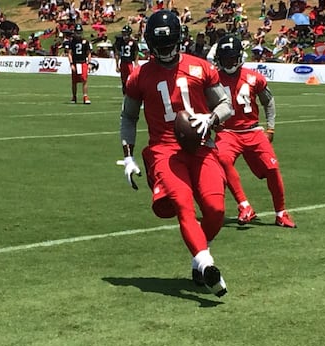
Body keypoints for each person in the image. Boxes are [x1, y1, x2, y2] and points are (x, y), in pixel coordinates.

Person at [117, 10, 233, 297]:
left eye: (170, 45)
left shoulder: (200, 67)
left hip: (202, 145)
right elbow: (128, 117)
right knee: (182, 205)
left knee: (216, 211)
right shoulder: (139, 75)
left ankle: (197, 257)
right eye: (160, 47)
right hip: (165, 151)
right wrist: (129, 155)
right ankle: (207, 265)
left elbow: (226, 104)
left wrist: (212, 119)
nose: (165, 52)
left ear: (179, 40)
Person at [214, 35, 296, 228]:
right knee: (222, 160)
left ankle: (281, 213)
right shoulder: (213, 78)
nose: (228, 63)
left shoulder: (254, 77)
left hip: (252, 130)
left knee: (272, 169)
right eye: (225, 59)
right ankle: (244, 206)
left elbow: (268, 101)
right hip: (227, 132)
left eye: (231, 59)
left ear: (239, 57)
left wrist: (270, 126)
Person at [67, 23, 92, 104]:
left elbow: (88, 53)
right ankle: (74, 97)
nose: (78, 34)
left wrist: (89, 63)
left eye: (79, 32)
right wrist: (71, 64)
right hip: (75, 62)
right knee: (74, 81)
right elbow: (70, 53)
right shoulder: (72, 41)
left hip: (83, 62)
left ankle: (85, 96)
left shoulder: (85, 41)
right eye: (77, 32)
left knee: (84, 80)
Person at [114, 25, 139, 94]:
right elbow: (117, 53)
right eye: (123, 33)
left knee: (131, 79)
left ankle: (133, 93)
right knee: (123, 81)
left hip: (130, 63)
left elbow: (136, 53)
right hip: (123, 63)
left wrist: (136, 63)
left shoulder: (133, 42)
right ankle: (125, 95)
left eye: (125, 33)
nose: (124, 34)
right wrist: (117, 65)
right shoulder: (120, 42)